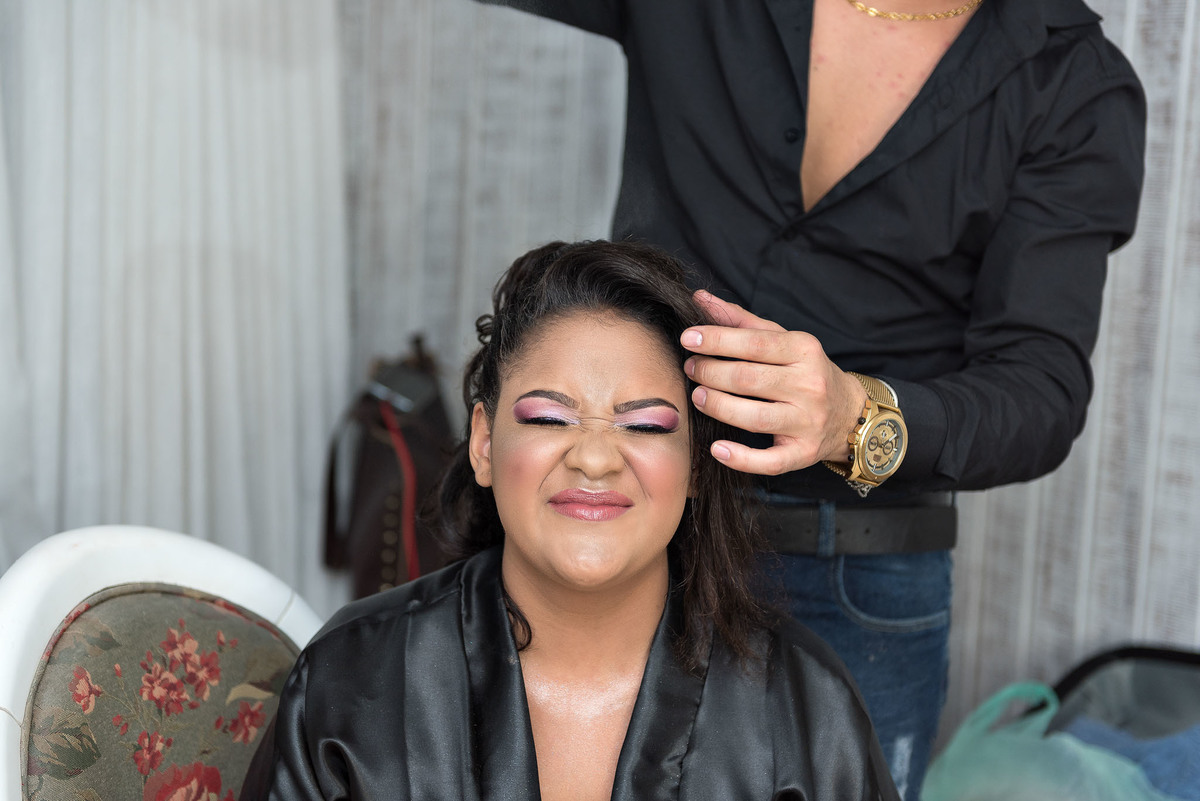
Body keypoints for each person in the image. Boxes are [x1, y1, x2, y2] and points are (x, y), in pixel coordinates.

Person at [469, 1, 1147, 797]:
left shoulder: (1070, 81)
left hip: (857, 576)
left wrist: (853, 416)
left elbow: (1040, 394)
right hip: (632, 529)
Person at [253, 240, 900, 800]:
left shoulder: (802, 703)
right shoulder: (353, 676)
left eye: (644, 424)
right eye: (548, 417)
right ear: (483, 443)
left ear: (699, 464)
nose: (593, 457)